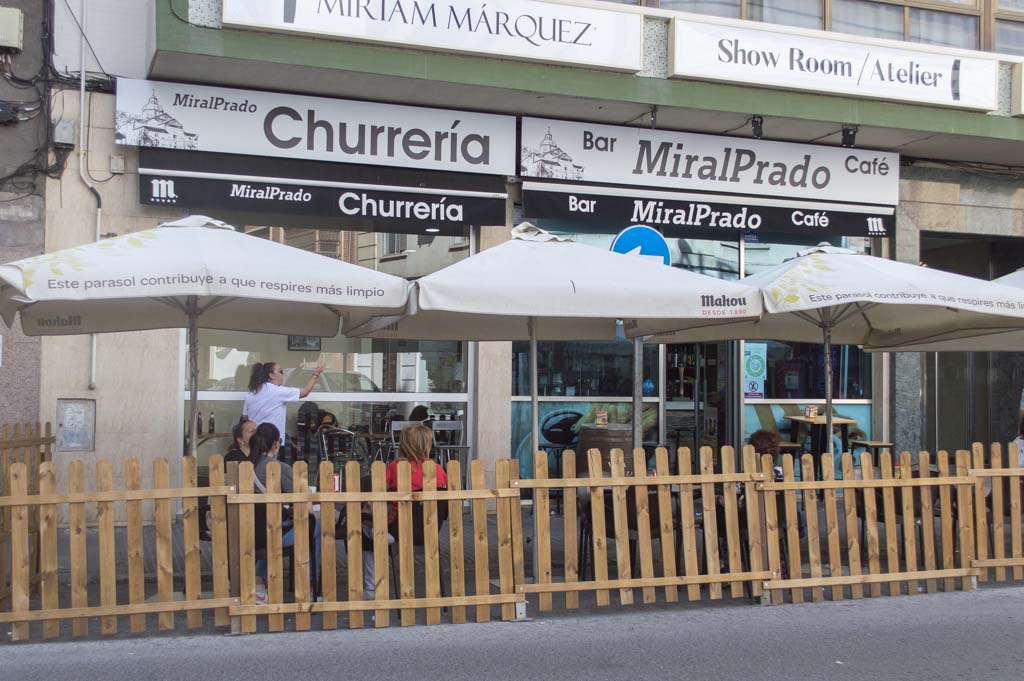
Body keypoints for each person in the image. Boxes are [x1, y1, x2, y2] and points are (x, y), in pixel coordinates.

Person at [361, 424, 447, 601]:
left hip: (396, 532)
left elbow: (378, 497)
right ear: (428, 444)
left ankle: (370, 588)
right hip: (428, 531)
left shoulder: (394, 467)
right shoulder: (439, 470)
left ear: (403, 444)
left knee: (363, 532)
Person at [249, 423, 321, 604]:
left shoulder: (248, 468)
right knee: (315, 528)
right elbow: (305, 506)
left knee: (269, 529)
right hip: (272, 533)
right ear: (275, 444)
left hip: (248, 533)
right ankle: (310, 587)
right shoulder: (279, 468)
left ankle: (258, 583)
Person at [242, 361, 322, 445]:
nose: (282, 375)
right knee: (271, 458)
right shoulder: (276, 391)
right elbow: (305, 392)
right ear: (271, 375)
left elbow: (245, 417)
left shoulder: (251, 393)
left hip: (254, 441)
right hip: (271, 442)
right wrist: (315, 374)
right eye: (280, 372)